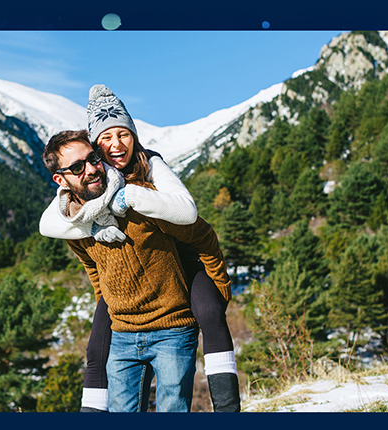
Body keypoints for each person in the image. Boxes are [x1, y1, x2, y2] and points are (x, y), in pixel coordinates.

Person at [40, 85, 241, 413]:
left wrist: (130, 197)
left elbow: (194, 222)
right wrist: (92, 229)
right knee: (96, 349)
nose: (114, 146)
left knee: (209, 314)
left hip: (181, 274)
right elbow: (73, 246)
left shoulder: (151, 180)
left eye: (123, 134)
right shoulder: (75, 212)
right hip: (127, 319)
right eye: (104, 140)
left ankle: (228, 411)